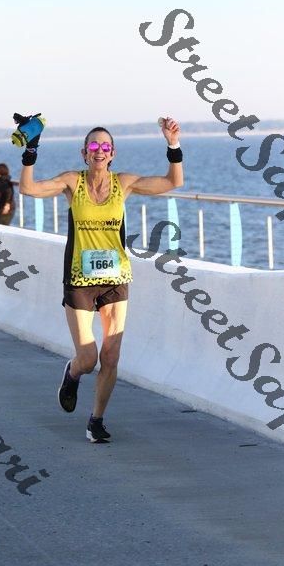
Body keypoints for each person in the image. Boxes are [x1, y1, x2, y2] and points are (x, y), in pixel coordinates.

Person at [18, 115, 183, 443]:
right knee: (88, 358)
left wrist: (173, 143)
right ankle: (72, 373)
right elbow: (28, 188)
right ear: (84, 153)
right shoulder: (72, 182)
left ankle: (96, 420)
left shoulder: (125, 183)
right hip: (79, 279)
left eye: (105, 146)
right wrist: (31, 150)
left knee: (110, 356)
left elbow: (172, 182)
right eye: (93, 146)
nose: (99, 151)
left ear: (113, 153)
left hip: (116, 277)